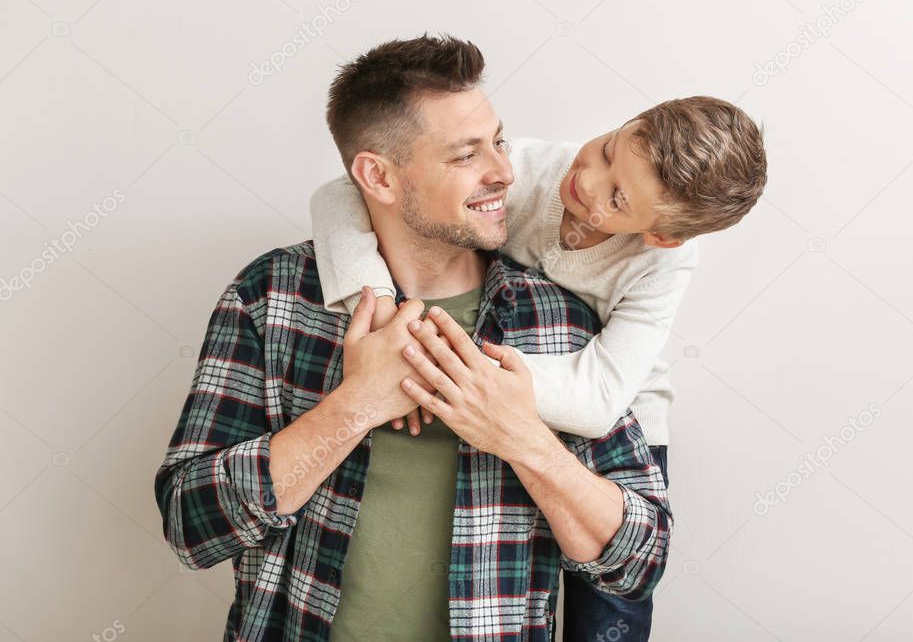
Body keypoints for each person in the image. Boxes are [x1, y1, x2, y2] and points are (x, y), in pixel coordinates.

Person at [154, 34, 671, 642]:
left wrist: (523, 439)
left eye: (499, 142)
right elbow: (191, 527)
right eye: (466, 155)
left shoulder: (558, 322)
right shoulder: (271, 297)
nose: (505, 172)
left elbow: (638, 562)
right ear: (378, 176)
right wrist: (354, 407)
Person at [311, 79, 766, 641]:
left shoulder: (665, 265)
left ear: (660, 237)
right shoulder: (524, 167)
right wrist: (379, 306)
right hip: (511, 352)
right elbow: (338, 195)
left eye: (618, 197)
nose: (587, 180)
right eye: (606, 149)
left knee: (610, 609)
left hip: (618, 402)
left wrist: (447, 367)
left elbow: (601, 399)